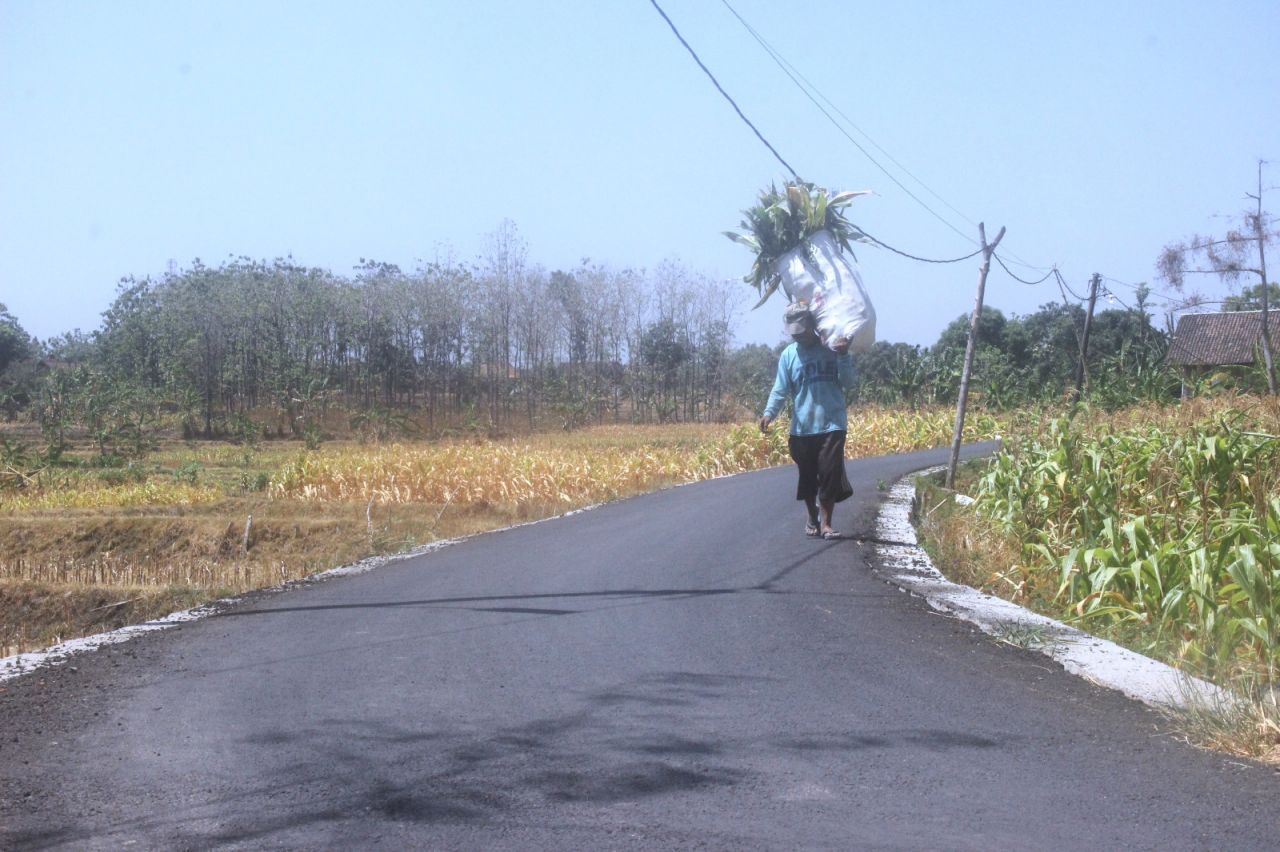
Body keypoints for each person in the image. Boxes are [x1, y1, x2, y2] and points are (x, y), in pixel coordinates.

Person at [759, 301, 856, 540]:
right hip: (802, 428)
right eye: (795, 333)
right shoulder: (789, 355)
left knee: (830, 473)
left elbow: (849, 382)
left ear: (813, 323)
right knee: (808, 476)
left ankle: (826, 523)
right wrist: (769, 413)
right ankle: (811, 515)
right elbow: (780, 389)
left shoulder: (832, 347)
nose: (799, 337)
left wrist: (843, 355)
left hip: (832, 423)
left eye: (802, 331)